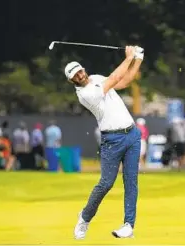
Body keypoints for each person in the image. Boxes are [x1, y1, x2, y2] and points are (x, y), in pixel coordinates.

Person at [65, 45, 144, 239]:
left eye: (80, 71)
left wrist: (138, 59)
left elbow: (124, 81)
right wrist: (128, 57)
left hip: (132, 134)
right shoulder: (85, 95)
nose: (80, 76)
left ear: (84, 69)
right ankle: (84, 217)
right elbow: (115, 78)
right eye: (75, 76)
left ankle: (128, 225)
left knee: (131, 182)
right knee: (106, 183)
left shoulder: (98, 78)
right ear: (72, 81)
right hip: (112, 140)